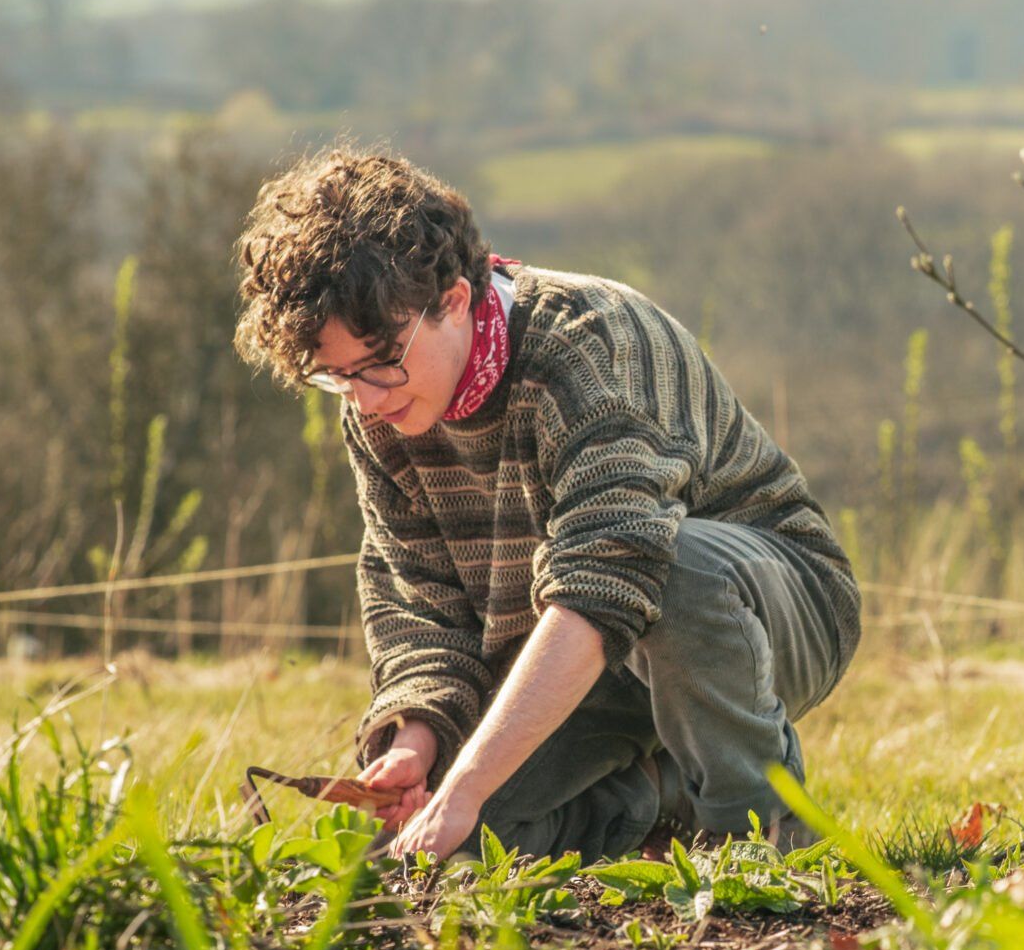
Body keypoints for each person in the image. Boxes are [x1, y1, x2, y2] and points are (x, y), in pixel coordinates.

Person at [230, 146, 858, 862]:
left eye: (381, 364)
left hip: (765, 608)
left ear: (454, 301)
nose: (367, 399)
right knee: (460, 840)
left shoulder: (590, 347)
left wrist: (468, 783)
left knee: (673, 569)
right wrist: (420, 740)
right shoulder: (379, 411)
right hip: (580, 656)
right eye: (337, 377)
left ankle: (761, 830)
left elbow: (607, 582)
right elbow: (418, 599)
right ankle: (659, 793)